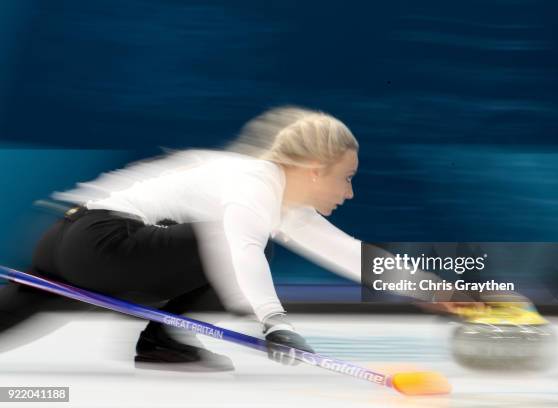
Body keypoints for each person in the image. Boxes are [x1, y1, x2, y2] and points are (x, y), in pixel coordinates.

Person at [0, 106, 450, 371]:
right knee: (238, 243)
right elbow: (241, 249)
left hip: (63, 241)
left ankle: (162, 342)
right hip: (104, 244)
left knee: (19, 311)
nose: (349, 192)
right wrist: (275, 322)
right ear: (315, 170)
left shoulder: (270, 193)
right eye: (346, 178)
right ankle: (162, 339)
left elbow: (347, 252)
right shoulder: (253, 184)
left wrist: (436, 290)